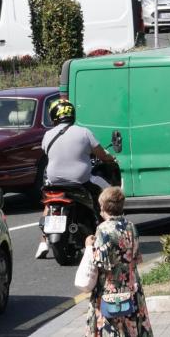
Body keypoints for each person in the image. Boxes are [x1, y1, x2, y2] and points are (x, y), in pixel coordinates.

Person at [36, 99, 116, 259]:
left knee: (48, 203)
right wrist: (110, 159)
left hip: (54, 181)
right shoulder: (84, 132)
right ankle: (108, 227)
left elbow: (47, 152)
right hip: (80, 181)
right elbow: (101, 154)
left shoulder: (47, 135)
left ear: (53, 117)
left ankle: (44, 240)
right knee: (109, 191)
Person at [84, 186, 152, 337]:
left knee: (112, 327)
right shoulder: (131, 226)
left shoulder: (103, 229)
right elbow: (135, 257)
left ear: (103, 206)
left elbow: (100, 263)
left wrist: (89, 246)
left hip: (110, 288)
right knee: (133, 325)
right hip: (131, 286)